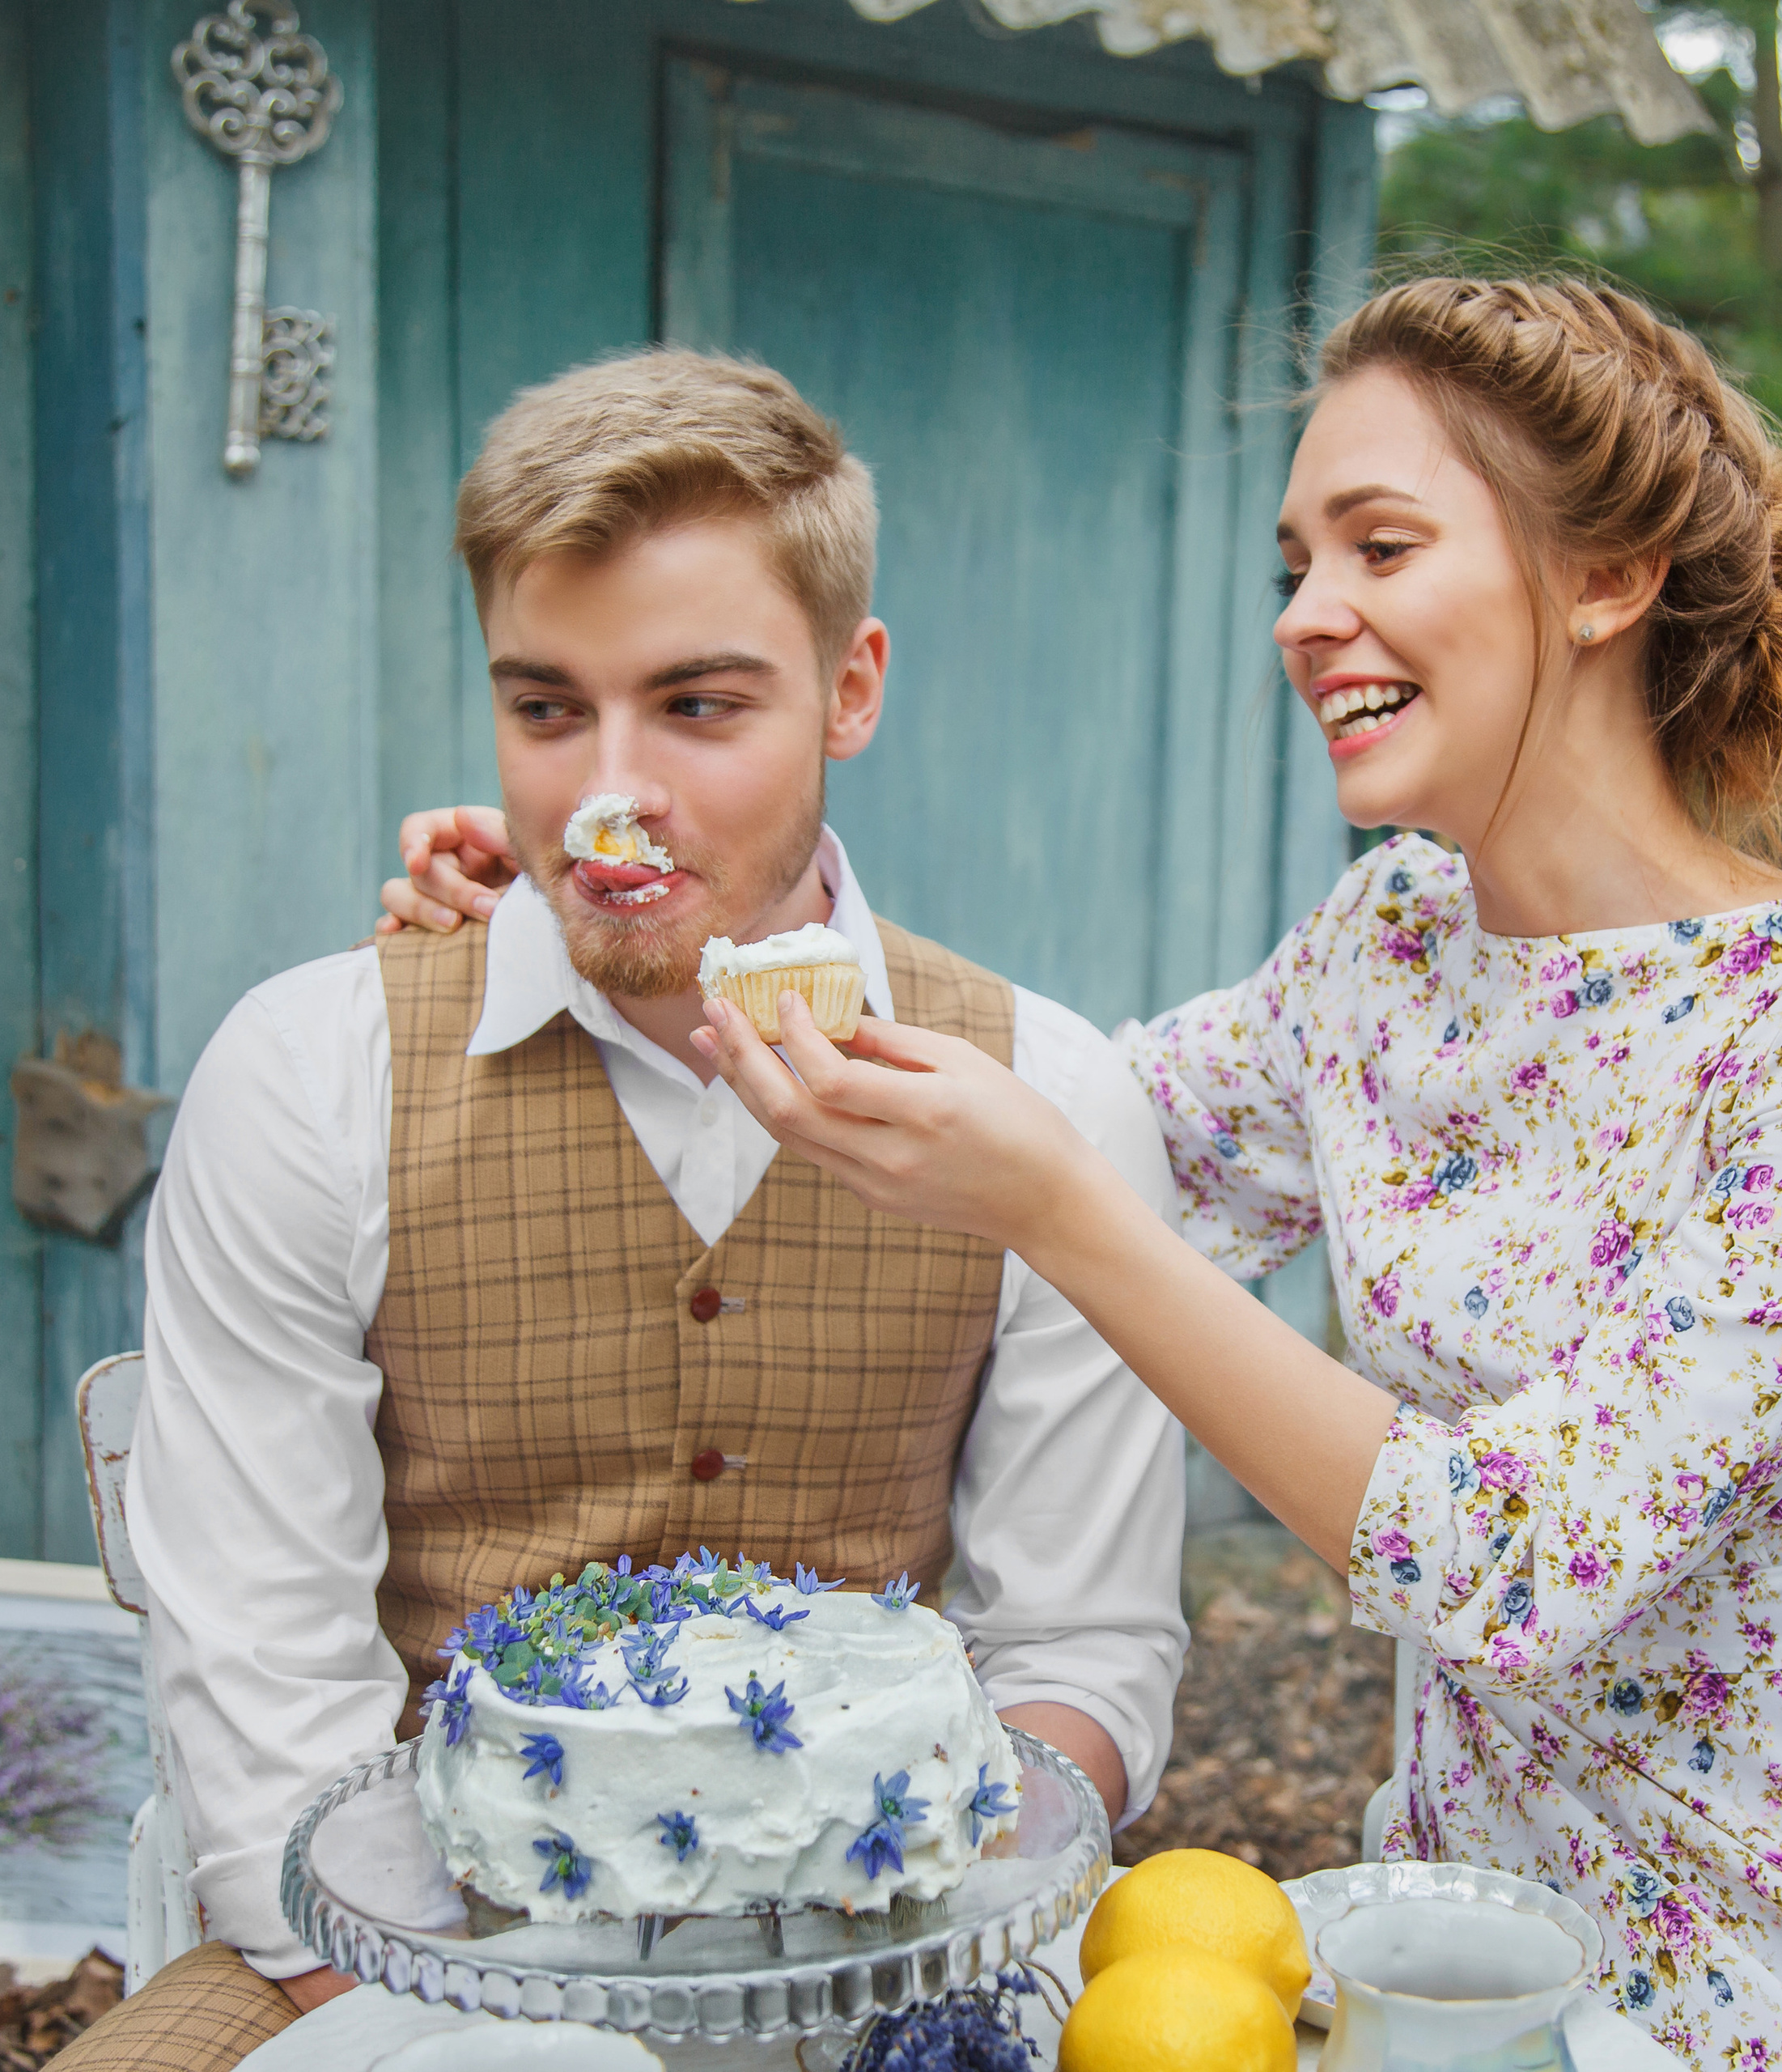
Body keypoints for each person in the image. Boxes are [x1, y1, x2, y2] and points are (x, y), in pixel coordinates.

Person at [397, 278, 1782, 2066]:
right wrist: (629, 882)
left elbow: (1520, 1559)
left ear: (1602, 578)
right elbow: (1031, 1106)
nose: (1304, 612)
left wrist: (1055, 1206)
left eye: (1377, 543)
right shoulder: (1390, 949)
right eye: (1294, 557)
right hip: (1453, 1954)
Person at [86, 352, 1185, 2069]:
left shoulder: (1054, 1099)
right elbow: (266, 1700)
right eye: (545, 710)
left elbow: (1078, 1645)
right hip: (375, 1958)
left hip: (888, 1961)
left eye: (696, 706)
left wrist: (923, 1933)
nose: (608, 802)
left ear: (850, 685)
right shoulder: (306, 1074)